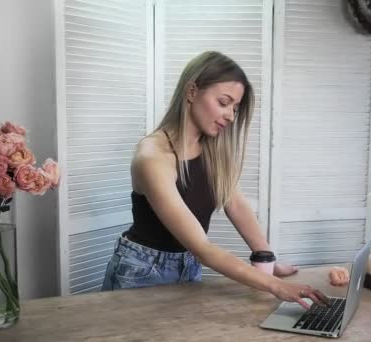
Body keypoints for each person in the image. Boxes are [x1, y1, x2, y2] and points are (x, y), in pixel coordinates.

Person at [102, 51, 329, 309]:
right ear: (191, 91)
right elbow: (202, 247)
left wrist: (267, 259)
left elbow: (236, 204)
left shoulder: (212, 150)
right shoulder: (153, 157)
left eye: (235, 108)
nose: (231, 116)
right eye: (224, 102)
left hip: (188, 267)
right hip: (140, 272)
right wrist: (276, 286)